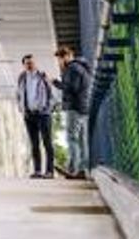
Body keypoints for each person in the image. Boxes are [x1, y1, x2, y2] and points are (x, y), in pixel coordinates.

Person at [53, 44, 93, 179]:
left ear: (68, 56)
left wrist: (55, 83)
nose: (60, 62)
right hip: (83, 107)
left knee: (72, 138)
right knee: (82, 140)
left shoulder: (72, 68)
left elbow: (71, 88)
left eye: (60, 58)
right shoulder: (82, 67)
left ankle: (72, 169)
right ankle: (82, 170)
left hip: (75, 108)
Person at [16, 54, 55, 178]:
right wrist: (21, 108)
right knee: (34, 144)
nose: (30, 65)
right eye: (27, 63)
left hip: (43, 114)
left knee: (47, 143)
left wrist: (48, 108)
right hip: (29, 115)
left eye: (32, 63)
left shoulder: (43, 76)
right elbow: (18, 94)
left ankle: (49, 171)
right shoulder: (22, 77)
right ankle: (37, 170)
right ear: (24, 65)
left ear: (36, 63)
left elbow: (51, 94)